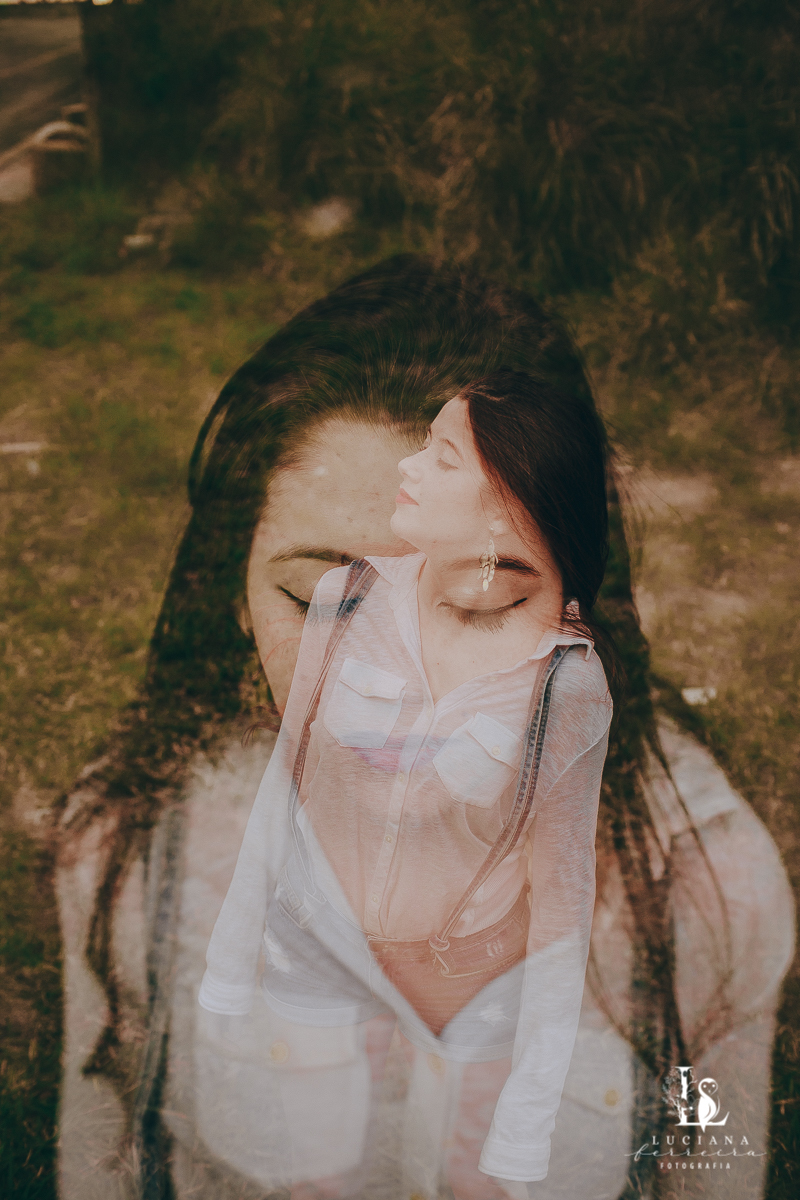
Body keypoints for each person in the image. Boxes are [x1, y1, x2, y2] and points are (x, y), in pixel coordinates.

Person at [56, 256, 794, 1200]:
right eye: (318, 596)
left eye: (476, 601)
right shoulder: (135, 854)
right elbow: (103, 1155)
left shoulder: (709, 891)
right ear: (234, 593)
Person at [199, 368, 615, 1192]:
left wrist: (527, 1120)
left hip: (471, 977)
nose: (408, 467)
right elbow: (288, 785)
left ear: (506, 508)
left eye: (442, 457)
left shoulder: (563, 685)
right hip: (318, 946)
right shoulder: (344, 600)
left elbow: (562, 906)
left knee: (464, 1178)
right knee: (319, 1171)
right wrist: (228, 965)